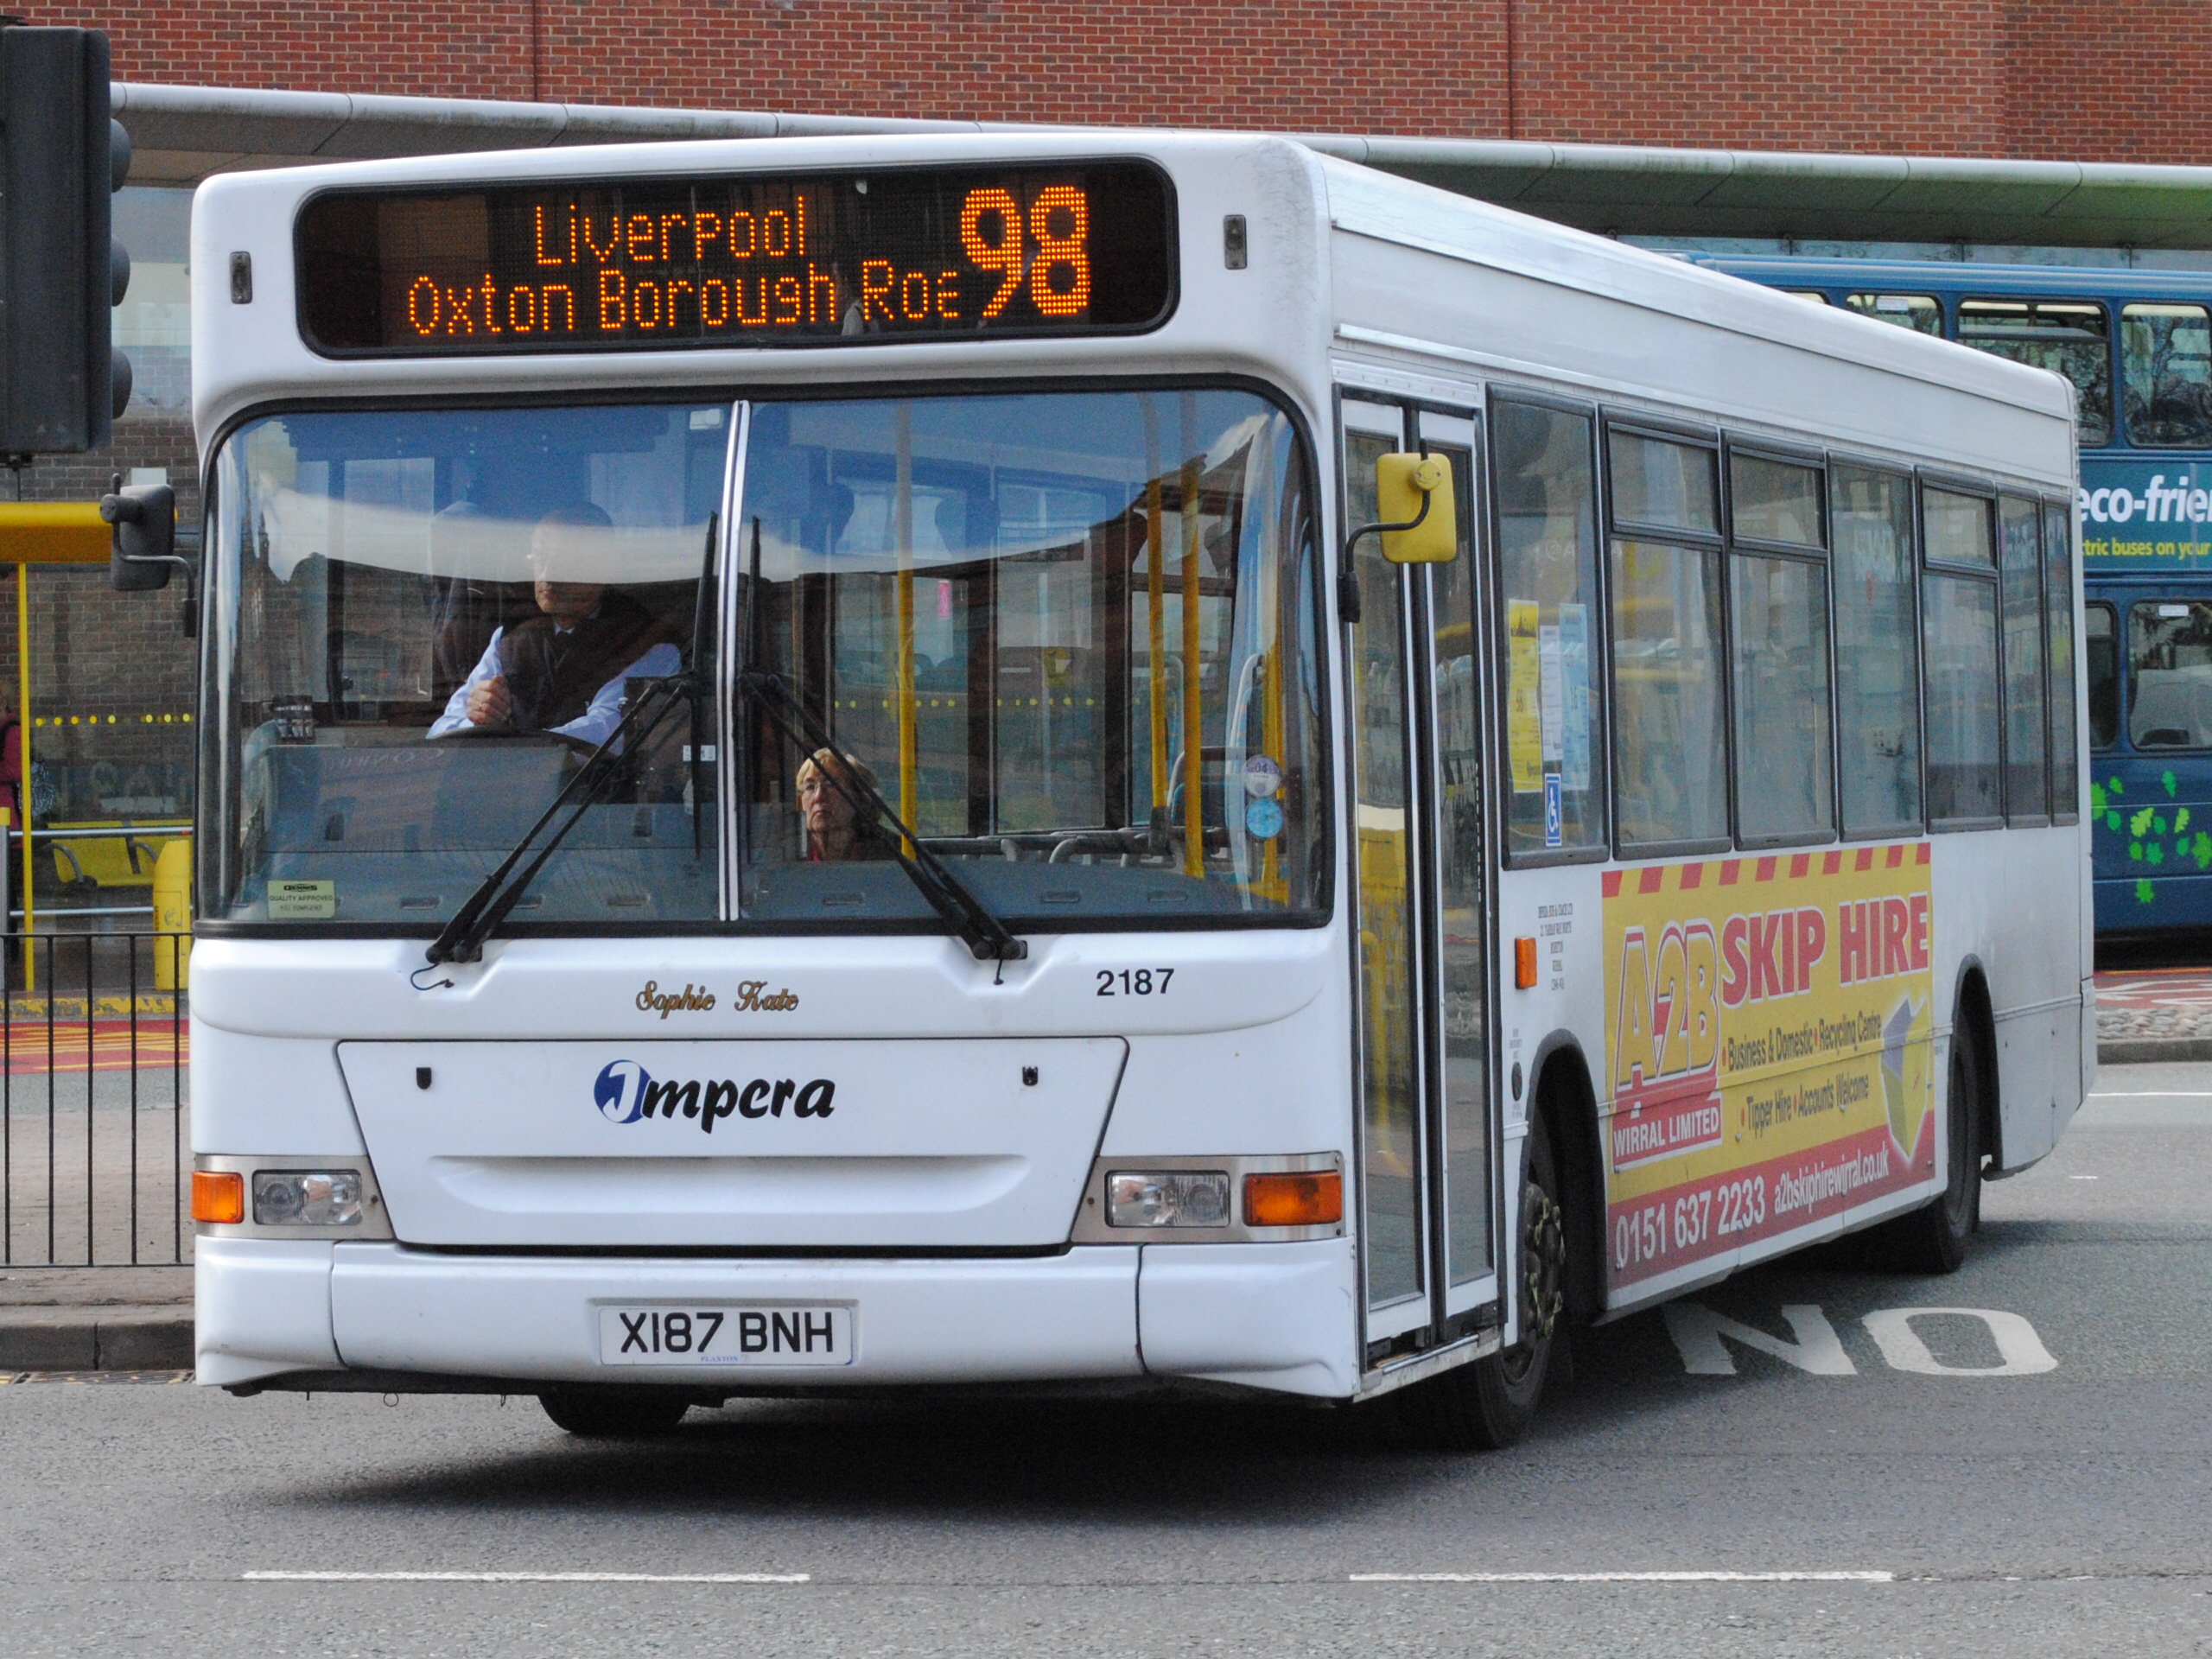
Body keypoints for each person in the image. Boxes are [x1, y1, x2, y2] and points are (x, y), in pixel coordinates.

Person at [428, 503, 680, 747]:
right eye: (540, 559)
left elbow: (607, 732)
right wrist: (477, 718)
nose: (547, 575)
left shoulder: (646, 639)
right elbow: (441, 731)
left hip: (598, 786)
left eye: (563, 561)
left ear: (604, 566)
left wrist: (509, 749)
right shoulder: (511, 637)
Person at [797, 748, 892, 861]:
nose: (818, 796)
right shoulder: (784, 853)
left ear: (859, 798)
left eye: (831, 785)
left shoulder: (894, 854)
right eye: (810, 787)